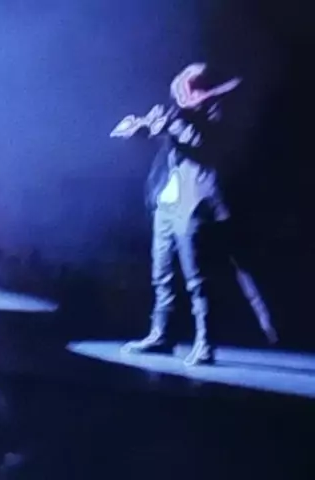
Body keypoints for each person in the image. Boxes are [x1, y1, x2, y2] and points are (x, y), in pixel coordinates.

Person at [111, 63, 276, 366]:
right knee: (162, 275)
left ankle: (205, 341)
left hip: (195, 203)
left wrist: (172, 125)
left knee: (197, 278)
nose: (183, 96)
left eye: (191, 91)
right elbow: (148, 134)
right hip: (168, 202)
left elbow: (202, 144)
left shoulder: (217, 113)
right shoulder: (178, 113)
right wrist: (140, 126)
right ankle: (161, 334)